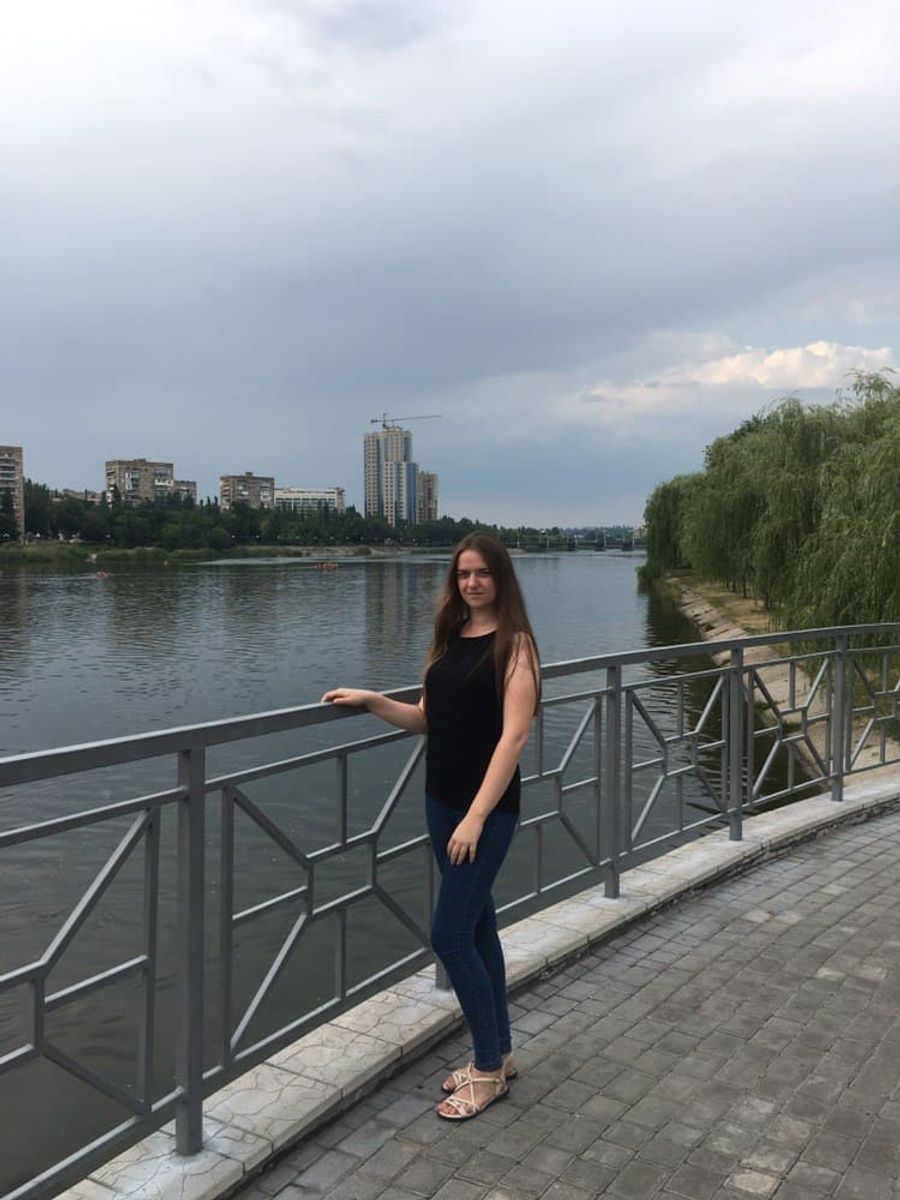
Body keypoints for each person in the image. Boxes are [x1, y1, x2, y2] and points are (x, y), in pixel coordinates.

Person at [322, 531, 541, 1120]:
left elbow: (513, 738)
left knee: (450, 937)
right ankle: (501, 1054)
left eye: (483, 573)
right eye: (463, 573)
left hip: (484, 812)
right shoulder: (448, 638)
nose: (472, 583)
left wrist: (476, 817)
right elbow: (426, 720)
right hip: (440, 803)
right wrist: (372, 700)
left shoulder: (515, 645)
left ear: (500, 578)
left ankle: (487, 1071)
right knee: (478, 928)